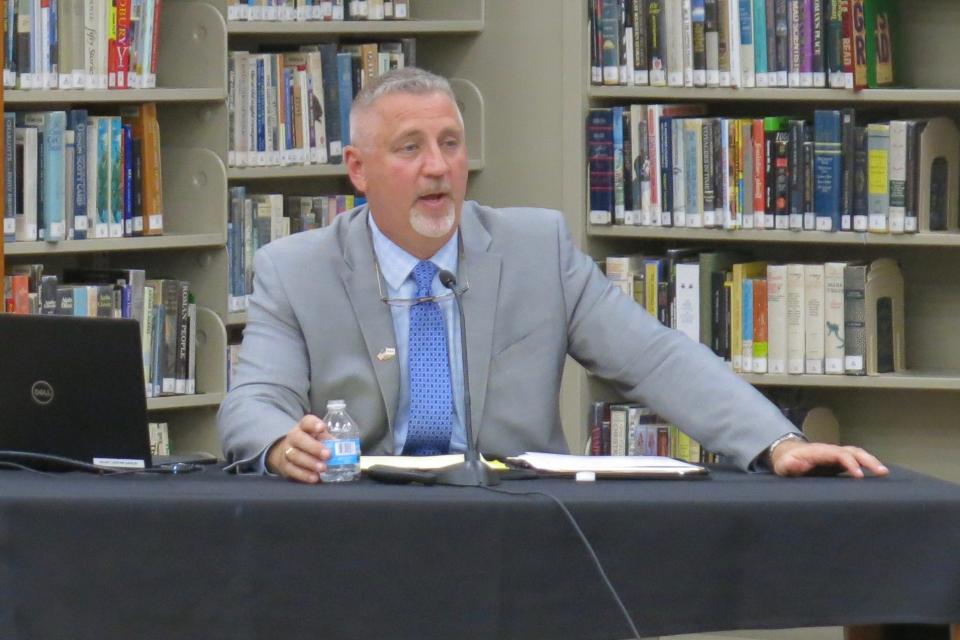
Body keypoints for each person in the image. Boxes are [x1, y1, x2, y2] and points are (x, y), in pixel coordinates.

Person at [218, 67, 888, 483]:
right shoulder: (296, 269)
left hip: (517, 526)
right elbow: (252, 404)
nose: (438, 168)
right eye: (410, 149)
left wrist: (775, 441)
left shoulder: (535, 248)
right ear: (358, 170)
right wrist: (281, 443)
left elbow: (655, 358)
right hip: (361, 533)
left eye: (450, 144)